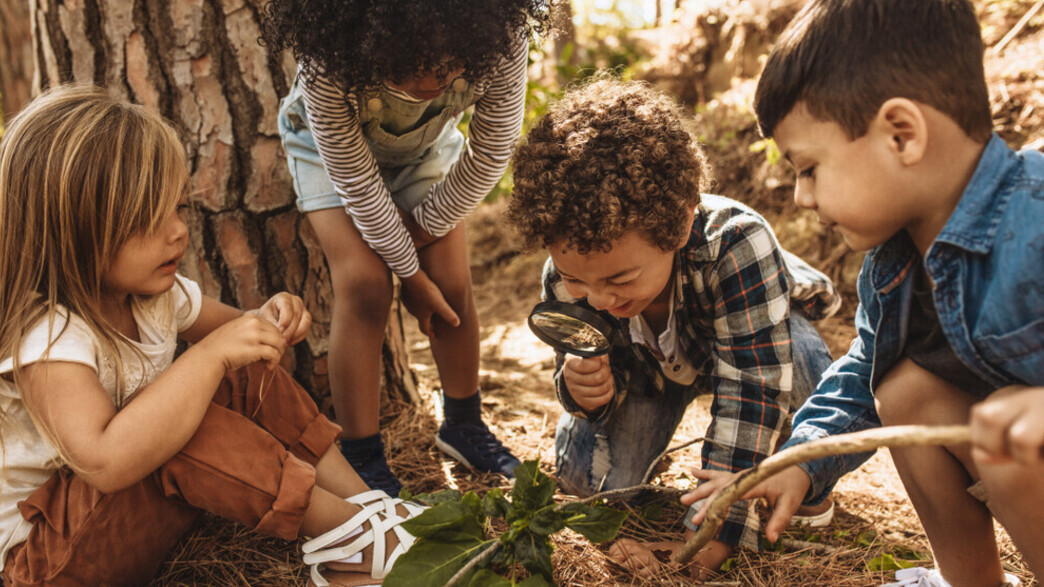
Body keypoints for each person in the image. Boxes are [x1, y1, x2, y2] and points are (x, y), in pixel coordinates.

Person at [0, 85, 425, 587]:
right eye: (146, 221)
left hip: (121, 521)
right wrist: (206, 361)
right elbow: (105, 463)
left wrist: (271, 317)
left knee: (237, 376)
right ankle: (352, 539)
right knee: (182, 423)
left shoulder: (155, 296)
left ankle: (364, 507)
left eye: (178, 208)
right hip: (48, 560)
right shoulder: (49, 339)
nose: (178, 232)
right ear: (71, 231)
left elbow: (243, 336)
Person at [686, 1, 1044, 585]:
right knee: (903, 392)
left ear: (901, 135)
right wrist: (798, 463)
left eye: (809, 169)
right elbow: (861, 377)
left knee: (1006, 431)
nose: (802, 197)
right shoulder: (892, 266)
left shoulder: (1034, 218)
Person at [504, 77, 841, 578]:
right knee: (586, 481)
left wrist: (712, 532)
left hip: (747, 339)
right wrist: (585, 393)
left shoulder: (737, 243)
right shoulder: (568, 274)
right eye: (578, 280)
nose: (598, 299)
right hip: (648, 373)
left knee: (806, 366)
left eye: (620, 278)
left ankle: (802, 476)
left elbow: (752, 386)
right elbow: (573, 363)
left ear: (680, 225)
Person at [258, 0, 553, 496]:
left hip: (426, 151)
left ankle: (463, 424)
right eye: (410, 66)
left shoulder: (500, 35)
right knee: (366, 285)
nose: (431, 82)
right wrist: (409, 278)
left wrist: (419, 240)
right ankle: (362, 454)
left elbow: (492, 152)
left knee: (452, 284)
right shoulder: (328, 62)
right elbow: (356, 182)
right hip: (329, 155)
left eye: (448, 65)